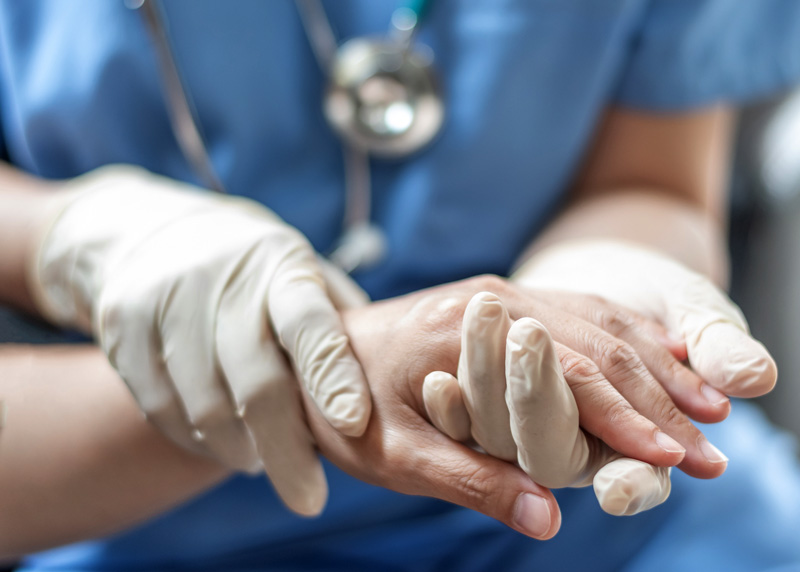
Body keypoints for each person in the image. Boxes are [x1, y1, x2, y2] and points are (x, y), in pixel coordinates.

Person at [1, 1, 800, 570]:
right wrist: (52, 234)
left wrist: (606, 275)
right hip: (129, 491)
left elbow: (652, 176)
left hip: (621, 529)